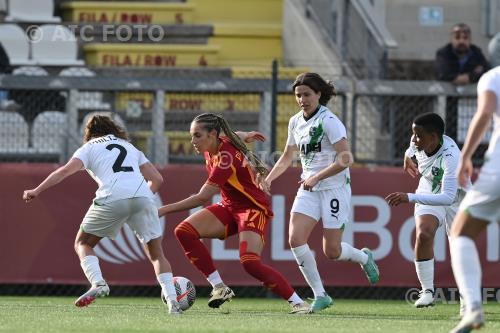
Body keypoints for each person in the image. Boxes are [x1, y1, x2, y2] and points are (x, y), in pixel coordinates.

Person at [22, 115, 182, 314]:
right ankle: (173, 302)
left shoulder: (88, 147)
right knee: (157, 254)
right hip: (143, 196)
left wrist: (36, 190)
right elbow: (157, 179)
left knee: (83, 243)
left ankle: (98, 283)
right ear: (113, 129)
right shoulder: (129, 146)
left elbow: (63, 171)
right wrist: (141, 200)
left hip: (112, 196)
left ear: (89, 133)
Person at [158, 113, 311, 314]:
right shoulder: (217, 142)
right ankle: (219, 287)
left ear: (212, 134)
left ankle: (298, 302)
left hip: (252, 208)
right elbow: (234, 135)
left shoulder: (224, 159)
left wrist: (162, 210)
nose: (192, 141)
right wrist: (246, 135)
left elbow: (202, 198)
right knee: (184, 231)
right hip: (230, 206)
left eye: (197, 135)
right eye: (191, 136)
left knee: (250, 263)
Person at [261, 72, 380, 313]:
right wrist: (269, 178)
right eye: (298, 95)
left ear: (318, 94)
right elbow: (287, 156)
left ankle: (364, 258)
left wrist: (317, 176)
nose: (302, 99)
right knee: (295, 239)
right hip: (309, 188)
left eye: (306, 94)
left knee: (332, 251)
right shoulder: (295, 121)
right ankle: (320, 294)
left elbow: (346, 158)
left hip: (334, 188)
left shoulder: (329, 121)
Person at [385, 112, 470, 310]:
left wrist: (409, 197)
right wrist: (407, 157)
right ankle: (427, 292)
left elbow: (447, 197)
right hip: (429, 188)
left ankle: (467, 297)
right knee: (423, 234)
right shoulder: (418, 143)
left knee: (459, 248)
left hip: (456, 197)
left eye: (419, 135)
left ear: (434, 137)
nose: (414, 139)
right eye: (413, 134)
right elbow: (411, 147)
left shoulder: (451, 157)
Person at [449, 66, 500, 333]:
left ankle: (473, 308)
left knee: (461, 232)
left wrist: (466, 155)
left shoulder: (493, 77)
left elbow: (485, 112)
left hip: (497, 172)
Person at [436, 23, 490, 140]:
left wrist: (462, 77)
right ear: (452, 39)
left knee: (470, 132)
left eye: (465, 38)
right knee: (449, 133)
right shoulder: (444, 53)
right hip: (448, 101)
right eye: (457, 37)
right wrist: (472, 74)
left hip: (471, 102)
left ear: (470, 39)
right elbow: (444, 73)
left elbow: (485, 71)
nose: (461, 41)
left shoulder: (476, 52)